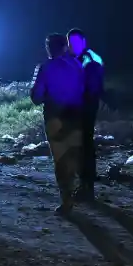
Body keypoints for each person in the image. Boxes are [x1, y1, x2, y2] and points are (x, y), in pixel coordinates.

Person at [30, 32, 85, 215]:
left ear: (48, 49)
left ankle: (67, 201)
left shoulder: (45, 67)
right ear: (64, 47)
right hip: (76, 115)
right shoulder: (77, 65)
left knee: (60, 159)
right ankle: (81, 190)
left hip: (55, 116)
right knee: (73, 155)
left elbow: (36, 97)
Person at [66, 28, 105, 201]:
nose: (72, 46)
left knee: (85, 146)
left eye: (75, 42)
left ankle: (87, 186)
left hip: (86, 108)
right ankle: (84, 184)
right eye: (70, 43)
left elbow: (92, 88)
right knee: (81, 145)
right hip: (80, 107)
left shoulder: (91, 60)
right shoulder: (78, 58)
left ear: (83, 41)